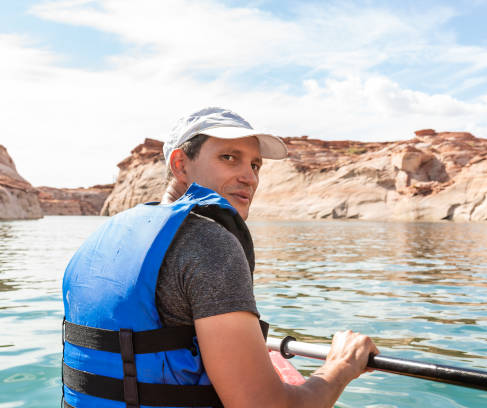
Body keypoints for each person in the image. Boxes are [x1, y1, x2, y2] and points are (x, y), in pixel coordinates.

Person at [62, 107, 379, 408]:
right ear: (180, 165)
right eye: (229, 158)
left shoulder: (100, 239)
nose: (249, 177)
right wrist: (341, 366)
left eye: (255, 165)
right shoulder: (210, 242)